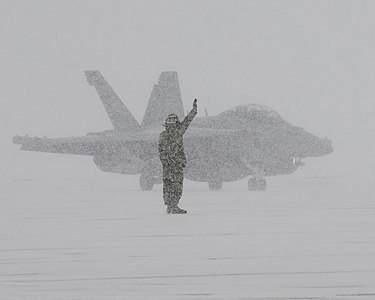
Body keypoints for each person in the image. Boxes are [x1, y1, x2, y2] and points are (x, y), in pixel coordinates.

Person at [158, 99, 198, 214]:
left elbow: (187, 121)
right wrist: (167, 161)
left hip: (172, 165)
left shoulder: (172, 132)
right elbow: (161, 151)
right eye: (170, 120)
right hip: (173, 165)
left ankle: (171, 206)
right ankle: (172, 206)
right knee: (173, 185)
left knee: (170, 185)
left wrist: (194, 111)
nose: (172, 122)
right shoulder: (176, 132)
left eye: (173, 120)